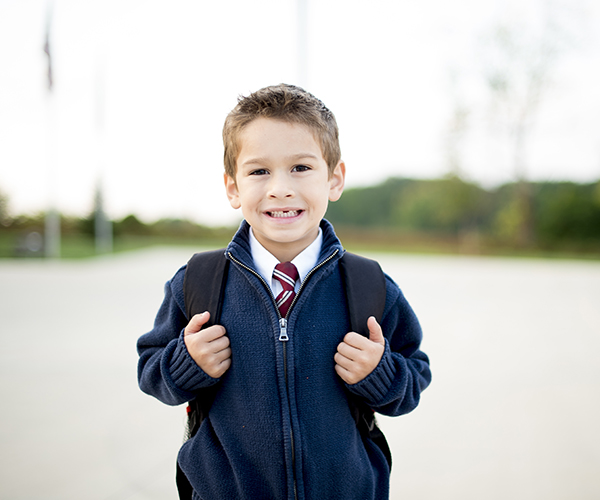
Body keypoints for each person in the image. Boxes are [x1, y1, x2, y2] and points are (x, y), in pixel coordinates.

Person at [137, 83, 431, 500]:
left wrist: (379, 373)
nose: (280, 188)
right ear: (233, 187)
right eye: (259, 171)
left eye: (300, 168)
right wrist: (188, 363)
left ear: (334, 179)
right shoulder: (200, 282)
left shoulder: (368, 285)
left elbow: (414, 376)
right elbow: (151, 371)